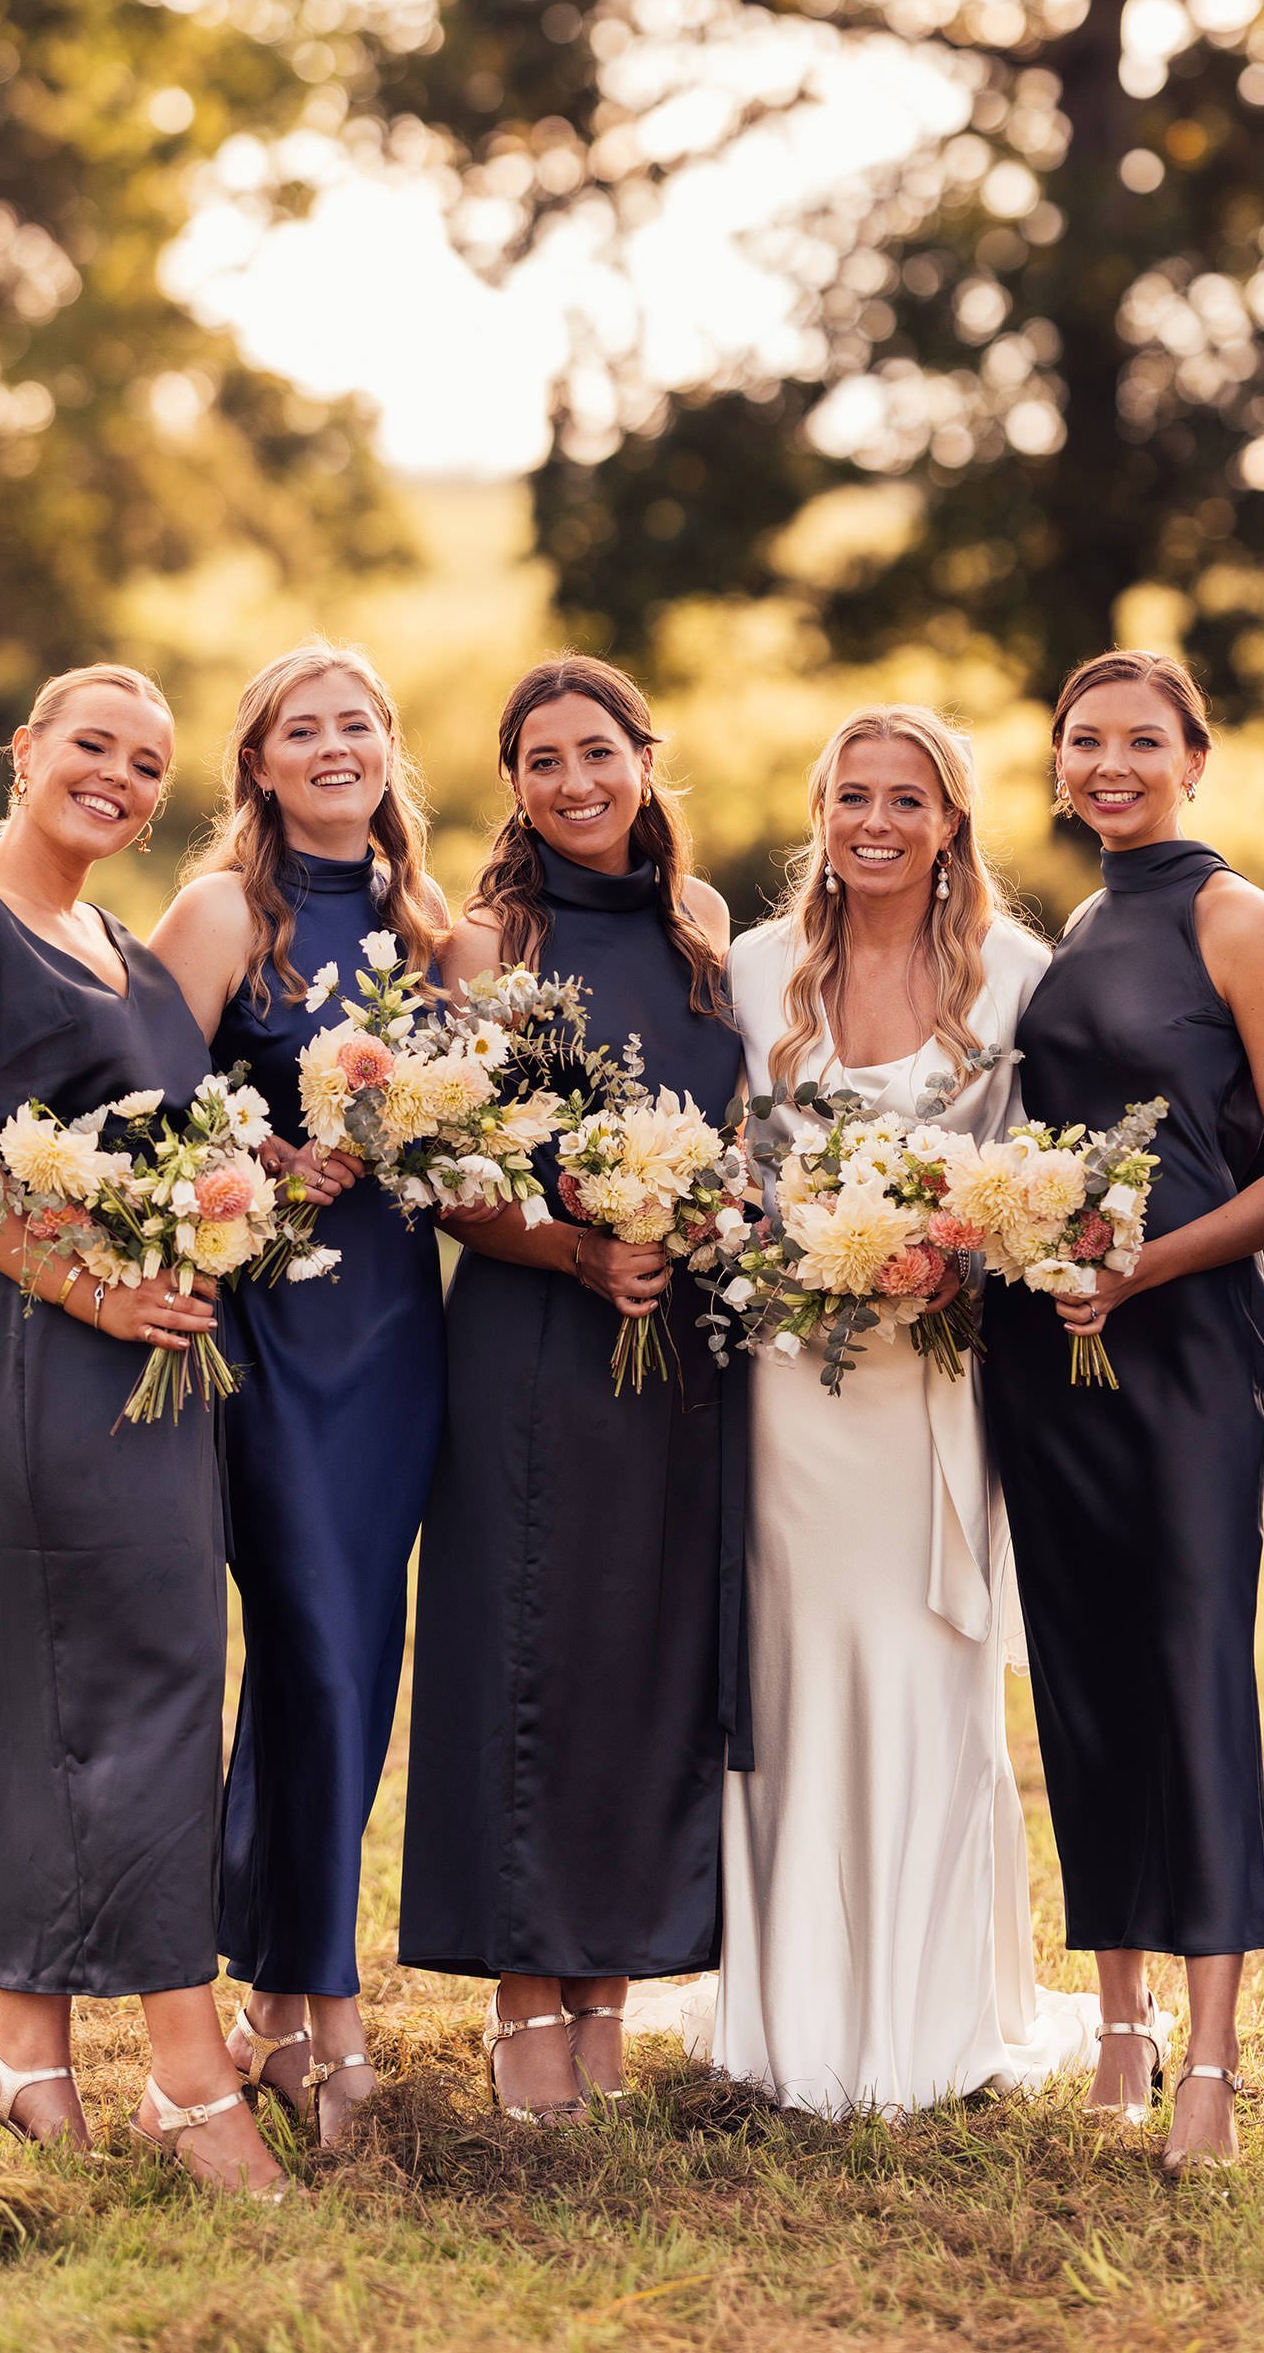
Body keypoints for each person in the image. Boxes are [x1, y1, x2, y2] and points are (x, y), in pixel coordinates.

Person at [0, 663, 283, 2197]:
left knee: (143, 1676)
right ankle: (186, 2074)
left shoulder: (117, 945)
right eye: (91, 746)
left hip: (158, 1367)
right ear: (29, 749)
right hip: (49, 1358)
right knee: (96, 1682)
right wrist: (95, 1295)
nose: (116, 776)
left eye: (147, 763)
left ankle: (24, 2053)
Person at [710, 705, 1095, 2112]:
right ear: (821, 814)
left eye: (907, 800)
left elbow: (1037, 1177)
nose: (875, 823)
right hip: (784, 1386)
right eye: (852, 797)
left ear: (951, 824)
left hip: (932, 1378)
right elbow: (725, 1166)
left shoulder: (1013, 976)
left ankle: (932, 2013)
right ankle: (789, 2015)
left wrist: (961, 1252)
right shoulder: (753, 975)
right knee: (794, 1664)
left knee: (925, 1663)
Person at [982, 650, 1264, 2165]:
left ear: (1196, 756)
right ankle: (1117, 2021)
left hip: (1185, 1351)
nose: (1108, 764)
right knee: (1084, 1675)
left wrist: (1147, 1268)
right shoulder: (1079, 928)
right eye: (1083, 742)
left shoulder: (1232, 917)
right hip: (1052, 1350)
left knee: (1191, 1671)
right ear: (1059, 767)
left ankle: (1215, 2060)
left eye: (1139, 741)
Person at [396, 656, 744, 2117]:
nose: (575, 782)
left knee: (646, 1651)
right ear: (515, 787)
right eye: (542, 762)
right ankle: (524, 2004)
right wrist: (577, 1248)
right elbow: (440, 1173)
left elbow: (741, 1118)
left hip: (683, 1351)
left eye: (597, 752)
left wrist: (702, 1222)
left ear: (645, 760)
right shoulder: (483, 949)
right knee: (522, 1648)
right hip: (534, 1336)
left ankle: (611, 1985)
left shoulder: (704, 926)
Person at [151, 641, 450, 2146]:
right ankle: (329, 2019)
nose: (335, 748)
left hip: (401, 1337)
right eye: (302, 730)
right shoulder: (220, 913)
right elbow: (138, 1101)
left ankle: (275, 2000)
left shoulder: (425, 920)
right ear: (258, 766)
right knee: (318, 1651)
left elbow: (470, 1123)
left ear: (390, 749)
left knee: (346, 1666)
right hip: (273, 1334)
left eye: (357, 725)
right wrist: (260, 1159)